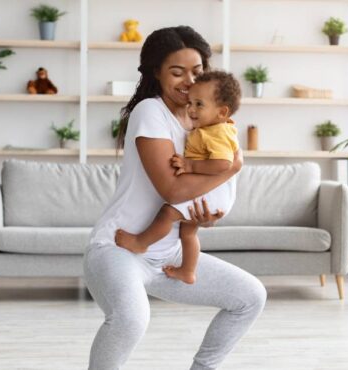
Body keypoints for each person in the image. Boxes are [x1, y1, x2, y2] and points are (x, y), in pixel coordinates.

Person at [83, 26, 267, 370]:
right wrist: (231, 168)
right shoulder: (150, 112)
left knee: (250, 296)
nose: (187, 80)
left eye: (196, 71)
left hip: (169, 255)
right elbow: (172, 190)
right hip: (119, 249)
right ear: (157, 73)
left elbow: (198, 195)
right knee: (131, 319)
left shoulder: (203, 121)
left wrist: (204, 218)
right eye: (176, 71)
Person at [115, 70, 241, 285]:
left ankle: (141, 242)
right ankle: (188, 271)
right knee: (188, 232)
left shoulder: (217, 132)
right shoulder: (212, 128)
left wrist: (190, 165)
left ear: (222, 112)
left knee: (167, 213)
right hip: (214, 192)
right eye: (190, 103)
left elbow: (224, 164)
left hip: (213, 191)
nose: (191, 109)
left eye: (199, 105)